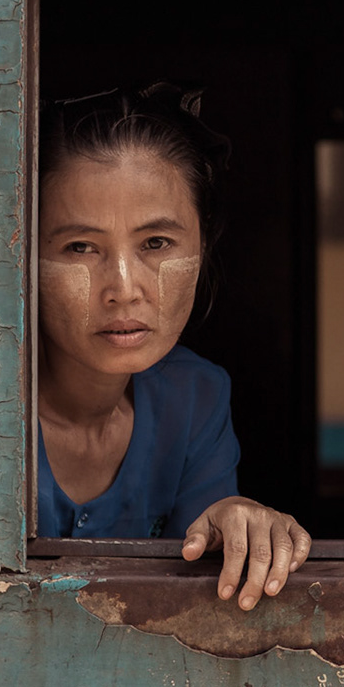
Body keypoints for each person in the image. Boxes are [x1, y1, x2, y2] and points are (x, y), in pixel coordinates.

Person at [36, 84, 310, 610]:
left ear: (204, 243)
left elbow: (206, 557)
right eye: (80, 247)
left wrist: (238, 519)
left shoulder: (195, 397)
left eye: (156, 243)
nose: (124, 287)